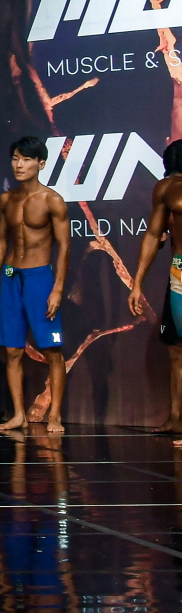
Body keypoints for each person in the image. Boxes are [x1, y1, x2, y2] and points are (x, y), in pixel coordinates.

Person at [0, 135, 70, 434]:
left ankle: (55, 415)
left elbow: (64, 247)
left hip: (39, 278)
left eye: (27, 159)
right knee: (12, 351)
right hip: (10, 277)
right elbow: (1, 241)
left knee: (52, 350)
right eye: (15, 159)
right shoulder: (7, 200)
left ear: (41, 164)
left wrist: (57, 288)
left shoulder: (52, 200)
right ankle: (19, 414)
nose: (19, 165)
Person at [126, 139, 182, 435]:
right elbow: (152, 234)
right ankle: (177, 418)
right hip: (180, 271)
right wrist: (137, 283)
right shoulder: (166, 188)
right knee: (176, 349)